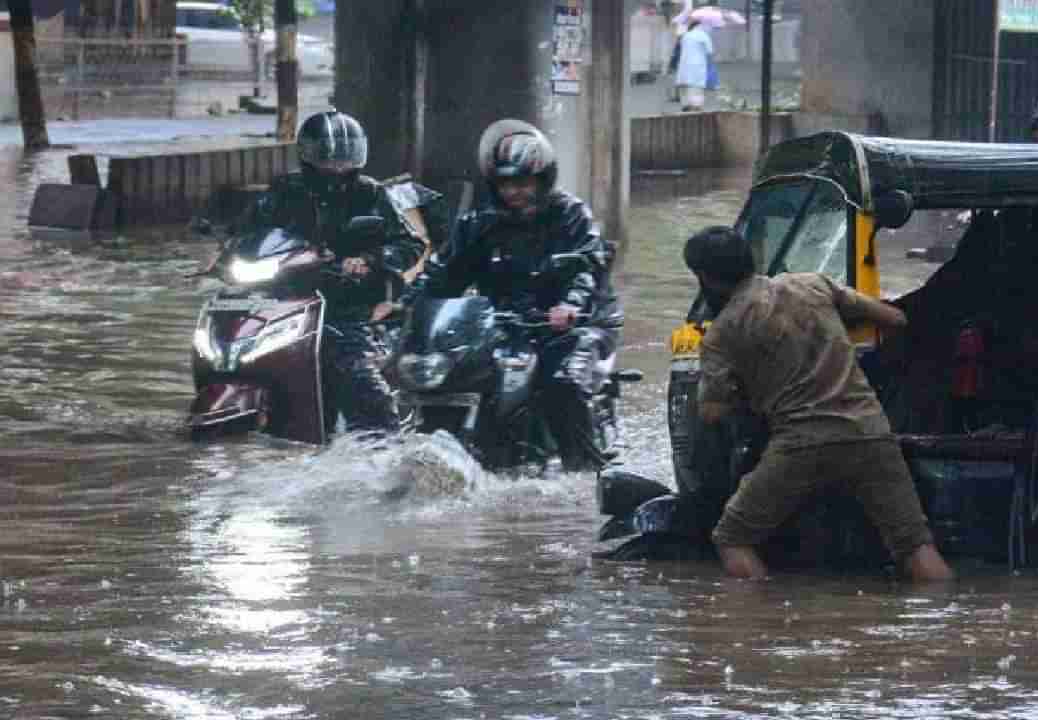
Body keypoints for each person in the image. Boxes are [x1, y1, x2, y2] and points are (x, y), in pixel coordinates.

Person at [685, 225, 954, 582]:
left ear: (706, 278)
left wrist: (742, 388)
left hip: (800, 445)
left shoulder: (721, 335)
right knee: (913, 543)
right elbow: (896, 319)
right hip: (869, 431)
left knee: (733, 537)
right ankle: (945, 619)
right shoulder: (811, 284)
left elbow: (712, 413)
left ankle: (755, 627)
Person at [406, 118, 623, 471]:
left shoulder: (570, 215)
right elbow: (442, 274)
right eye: (506, 184)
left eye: (523, 182)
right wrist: (403, 306)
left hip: (573, 325)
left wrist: (570, 305)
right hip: (504, 324)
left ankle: (587, 474)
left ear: (542, 179)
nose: (514, 192)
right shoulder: (478, 223)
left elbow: (587, 266)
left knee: (562, 383)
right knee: (454, 369)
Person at [239, 109, 432, 436]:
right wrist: (230, 252)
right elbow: (247, 234)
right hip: (281, 299)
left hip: (343, 307)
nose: (338, 168)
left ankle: (381, 449)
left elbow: (409, 244)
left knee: (359, 378)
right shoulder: (283, 191)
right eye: (329, 160)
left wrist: (370, 260)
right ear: (307, 156)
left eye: (345, 160)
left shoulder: (370, 194)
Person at [674, 19, 713, 112]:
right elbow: (710, 52)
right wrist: (711, 67)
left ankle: (686, 105)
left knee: (685, 87)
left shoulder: (686, 35)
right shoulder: (704, 36)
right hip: (697, 66)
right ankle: (696, 108)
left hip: (684, 66)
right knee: (696, 88)